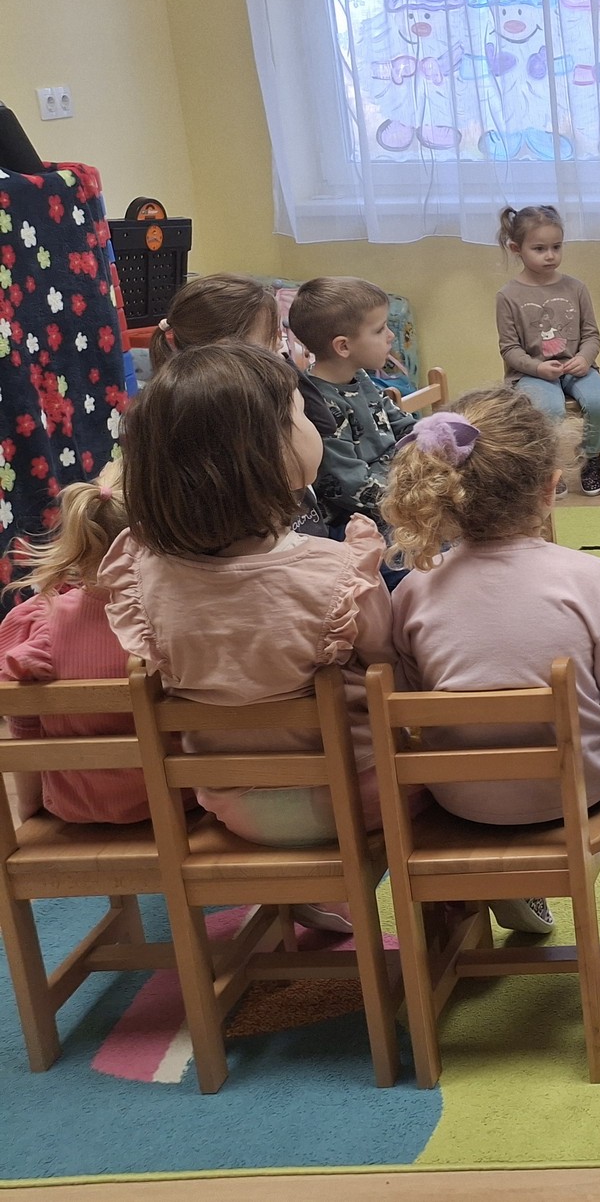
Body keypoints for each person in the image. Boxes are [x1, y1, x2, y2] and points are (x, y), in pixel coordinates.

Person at [101, 344, 389, 929]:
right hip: (359, 798)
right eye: (300, 413)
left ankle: (315, 896)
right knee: (434, 761)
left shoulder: (141, 578)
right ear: (269, 455)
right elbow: (391, 669)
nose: (314, 422)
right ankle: (469, 901)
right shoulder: (338, 572)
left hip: (231, 806)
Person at [385, 390, 600, 933]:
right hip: (574, 792)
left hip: (459, 796)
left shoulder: (412, 591)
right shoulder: (588, 579)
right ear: (550, 487)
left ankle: (515, 887)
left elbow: (412, 705)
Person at [0, 467, 150, 826]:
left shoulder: (38, 623)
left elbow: (23, 721)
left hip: (72, 811)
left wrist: (30, 812)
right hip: (179, 805)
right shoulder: (167, 621)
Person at [151, 273, 340, 512]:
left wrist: (280, 361)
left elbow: (324, 422)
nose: (280, 343)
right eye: (270, 335)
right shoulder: (230, 403)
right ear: (227, 346)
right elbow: (323, 428)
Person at [495, 204, 600, 496]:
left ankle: (590, 457)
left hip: (576, 368)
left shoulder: (576, 288)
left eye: (556, 247)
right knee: (548, 408)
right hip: (531, 373)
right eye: (539, 248)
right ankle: (550, 465)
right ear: (516, 248)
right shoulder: (508, 296)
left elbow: (591, 335)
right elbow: (509, 348)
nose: (550, 255)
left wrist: (584, 358)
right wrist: (537, 368)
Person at [291, 275, 418, 530]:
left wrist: (437, 441)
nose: (390, 336)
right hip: (361, 518)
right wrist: (417, 498)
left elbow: (400, 424)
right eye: (379, 330)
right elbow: (352, 486)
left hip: (398, 486)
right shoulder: (321, 405)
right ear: (343, 347)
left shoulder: (359, 377)